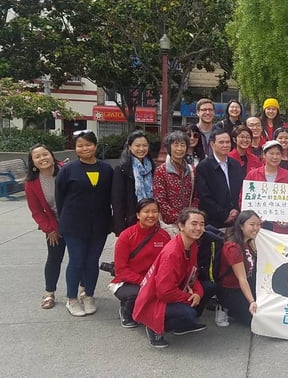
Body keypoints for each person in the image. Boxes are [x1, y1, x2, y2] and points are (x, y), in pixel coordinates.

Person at [55, 130, 113, 317]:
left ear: (95, 146)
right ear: (75, 148)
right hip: (74, 224)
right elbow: (60, 198)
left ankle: (88, 294)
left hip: (100, 224)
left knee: (91, 262)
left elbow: (111, 197)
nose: (84, 148)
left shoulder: (106, 169)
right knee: (77, 260)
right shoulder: (68, 170)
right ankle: (71, 299)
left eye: (88, 144)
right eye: (80, 145)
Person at [133, 208, 208, 348]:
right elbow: (164, 292)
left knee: (208, 288)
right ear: (181, 226)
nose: (199, 228)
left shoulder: (192, 245)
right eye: (194, 224)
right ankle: (154, 327)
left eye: (202, 224)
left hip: (176, 288)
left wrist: (197, 292)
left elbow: (193, 273)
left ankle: (182, 324)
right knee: (189, 313)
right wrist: (188, 297)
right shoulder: (172, 253)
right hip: (154, 300)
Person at [109, 198, 171, 328]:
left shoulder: (164, 236)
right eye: (146, 211)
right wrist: (144, 281)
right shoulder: (126, 236)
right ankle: (126, 312)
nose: (151, 215)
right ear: (138, 215)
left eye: (154, 211)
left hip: (154, 281)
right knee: (137, 294)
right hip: (128, 282)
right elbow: (121, 270)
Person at [24, 144, 64, 310]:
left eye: (45, 154)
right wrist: (50, 229)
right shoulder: (32, 183)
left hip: (75, 222)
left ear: (52, 155)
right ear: (33, 162)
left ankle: (84, 290)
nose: (42, 158)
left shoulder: (65, 170)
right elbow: (37, 211)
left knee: (79, 258)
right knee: (54, 258)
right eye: (37, 157)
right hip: (54, 225)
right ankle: (49, 292)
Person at [217, 210, 261, 326]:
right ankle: (224, 306)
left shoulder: (248, 241)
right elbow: (242, 278)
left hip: (246, 284)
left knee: (266, 307)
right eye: (252, 224)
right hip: (230, 289)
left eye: (258, 224)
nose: (256, 228)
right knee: (256, 319)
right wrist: (252, 301)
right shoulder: (233, 247)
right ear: (241, 226)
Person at [196, 129, 245, 229]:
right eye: (221, 142)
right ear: (212, 144)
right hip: (213, 222)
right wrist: (224, 215)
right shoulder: (204, 166)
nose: (225, 145)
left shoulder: (236, 165)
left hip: (235, 220)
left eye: (228, 142)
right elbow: (205, 197)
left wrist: (236, 210)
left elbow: (241, 191)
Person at [243, 140, 288, 233]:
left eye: (278, 154)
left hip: (280, 230)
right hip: (256, 229)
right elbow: (242, 199)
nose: (275, 157)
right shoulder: (252, 175)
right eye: (271, 153)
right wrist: (252, 218)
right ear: (264, 155)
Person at [153, 130, 198, 236]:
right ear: (169, 147)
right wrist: (180, 219)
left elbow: (196, 196)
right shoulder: (161, 171)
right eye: (176, 145)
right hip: (169, 226)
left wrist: (191, 217)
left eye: (182, 145)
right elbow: (160, 201)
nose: (179, 149)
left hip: (189, 223)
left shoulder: (191, 170)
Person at [112, 131, 154, 235]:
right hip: (130, 220)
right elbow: (117, 200)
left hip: (150, 218)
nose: (141, 149)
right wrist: (120, 226)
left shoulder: (151, 167)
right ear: (130, 147)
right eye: (137, 145)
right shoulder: (122, 169)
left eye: (144, 145)